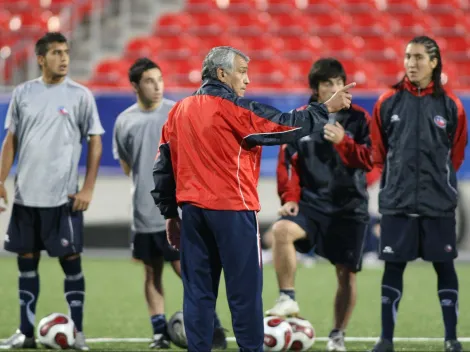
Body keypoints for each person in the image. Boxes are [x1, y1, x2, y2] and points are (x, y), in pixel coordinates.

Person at [151, 46, 355, 352]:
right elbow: (286, 125)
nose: (247, 79)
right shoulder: (234, 109)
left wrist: (170, 213)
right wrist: (325, 108)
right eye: (242, 71)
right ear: (222, 74)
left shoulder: (178, 111)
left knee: (197, 294)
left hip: (192, 214)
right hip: (233, 212)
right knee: (244, 294)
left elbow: (162, 167)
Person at [113, 58, 227, 349]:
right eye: (150, 81)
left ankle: (212, 326)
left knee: (186, 270)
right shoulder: (124, 121)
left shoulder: (178, 111)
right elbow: (129, 166)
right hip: (142, 213)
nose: (157, 86)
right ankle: (159, 332)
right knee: (152, 271)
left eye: (160, 80)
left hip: (177, 211)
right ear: (136, 86)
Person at [0, 32, 104, 350]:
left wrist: (87, 187)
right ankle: (25, 332)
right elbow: (11, 140)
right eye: (57, 53)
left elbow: (95, 141)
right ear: (41, 58)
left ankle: (79, 332)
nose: (64, 58)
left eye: (67, 52)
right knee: (26, 263)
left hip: (64, 199)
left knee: (71, 265)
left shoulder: (81, 95)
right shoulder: (23, 93)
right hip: (26, 197)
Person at [264, 58, 373, 352]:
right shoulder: (300, 118)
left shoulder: (360, 119)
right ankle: (287, 296)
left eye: (339, 82)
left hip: (350, 208)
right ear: (316, 89)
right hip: (311, 205)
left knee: (346, 274)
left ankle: (337, 334)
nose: (335, 88)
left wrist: (344, 143)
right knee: (282, 231)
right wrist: (289, 198)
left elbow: (371, 160)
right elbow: (287, 163)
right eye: (328, 84)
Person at [369, 36, 467, 352]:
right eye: (408, 57)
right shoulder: (388, 102)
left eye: (419, 57)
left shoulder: (451, 105)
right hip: (397, 203)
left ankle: (451, 339)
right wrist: (396, 183)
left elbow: (456, 155)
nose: (411, 63)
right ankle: (386, 340)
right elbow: (380, 153)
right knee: (393, 268)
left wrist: (439, 182)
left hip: (438, 203)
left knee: (445, 267)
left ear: (434, 62)